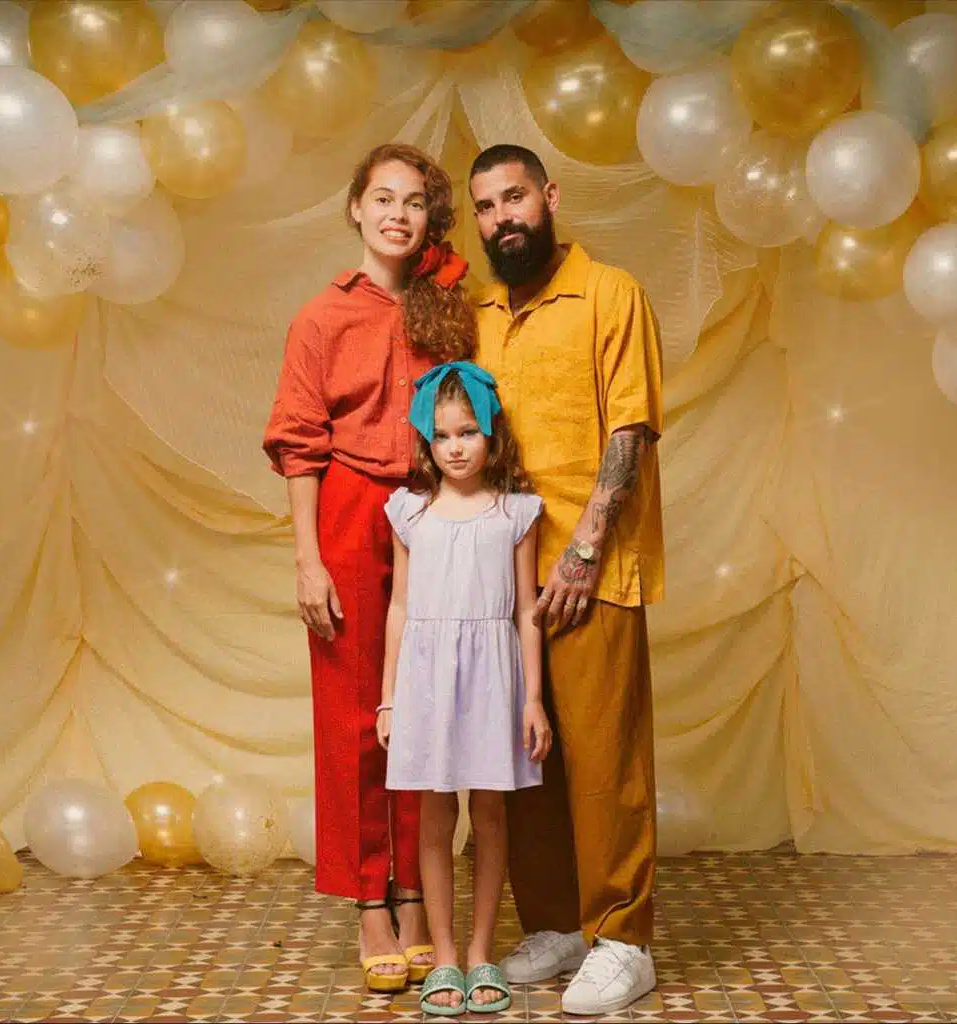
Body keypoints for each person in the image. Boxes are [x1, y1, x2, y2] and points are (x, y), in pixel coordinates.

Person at [263, 143, 477, 992]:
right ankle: (368, 901)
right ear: (355, 208)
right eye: (383, 198)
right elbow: (297, 445)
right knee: (355, 713)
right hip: (350, 513)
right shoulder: (321, 317)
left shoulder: (447, 308)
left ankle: (417, 887)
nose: (397, 214)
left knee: (426, 708)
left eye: (415, 202)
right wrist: (308, 559)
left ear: (430, 219)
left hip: (435, 512)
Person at [468, 144, 665, 1017]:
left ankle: (623, 939)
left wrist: (585, 549)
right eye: (485, 207)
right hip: (501, 575)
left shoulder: (611, 294)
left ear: (549, 197)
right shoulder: (476, 313)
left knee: (602, 762)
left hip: (593, 569)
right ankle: (554, 924)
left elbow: (631, 430)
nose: (502, 218)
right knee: (524, 759)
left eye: (514, 198)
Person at [376, 362, 553, 1016]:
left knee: (491, 814)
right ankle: (445, 953)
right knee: (433, 815)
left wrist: (532, 698)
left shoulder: (514, 513)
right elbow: (399, 607)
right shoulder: (412, 514)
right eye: (443, 435)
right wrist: (389, 697)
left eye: (468, 432)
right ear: (427, 441)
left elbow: (527, 610)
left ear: (491, 435)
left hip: (492, 678)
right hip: (426, 680)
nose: (455, 447)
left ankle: (481, 951)